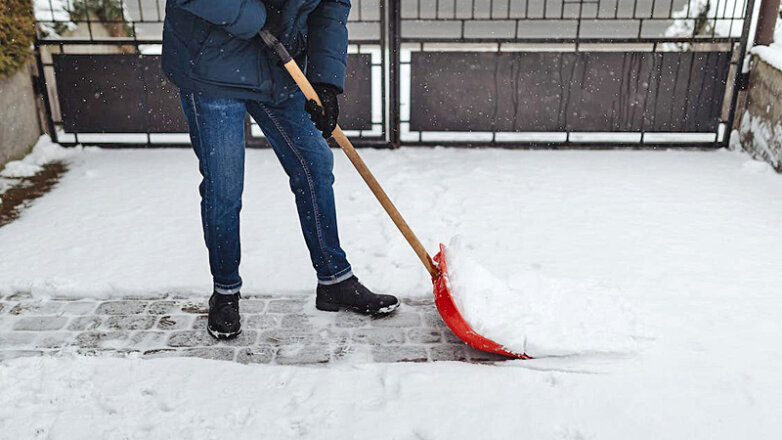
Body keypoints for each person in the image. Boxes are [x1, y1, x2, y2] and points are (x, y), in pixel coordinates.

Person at [161, 0, 399, 340]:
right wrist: (255, 16)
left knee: (314, 163)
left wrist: (325, 81)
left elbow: (331, 6)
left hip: (278, 64)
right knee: (224, 185)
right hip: (213, 65)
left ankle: (334, 279)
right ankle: (225, 291)